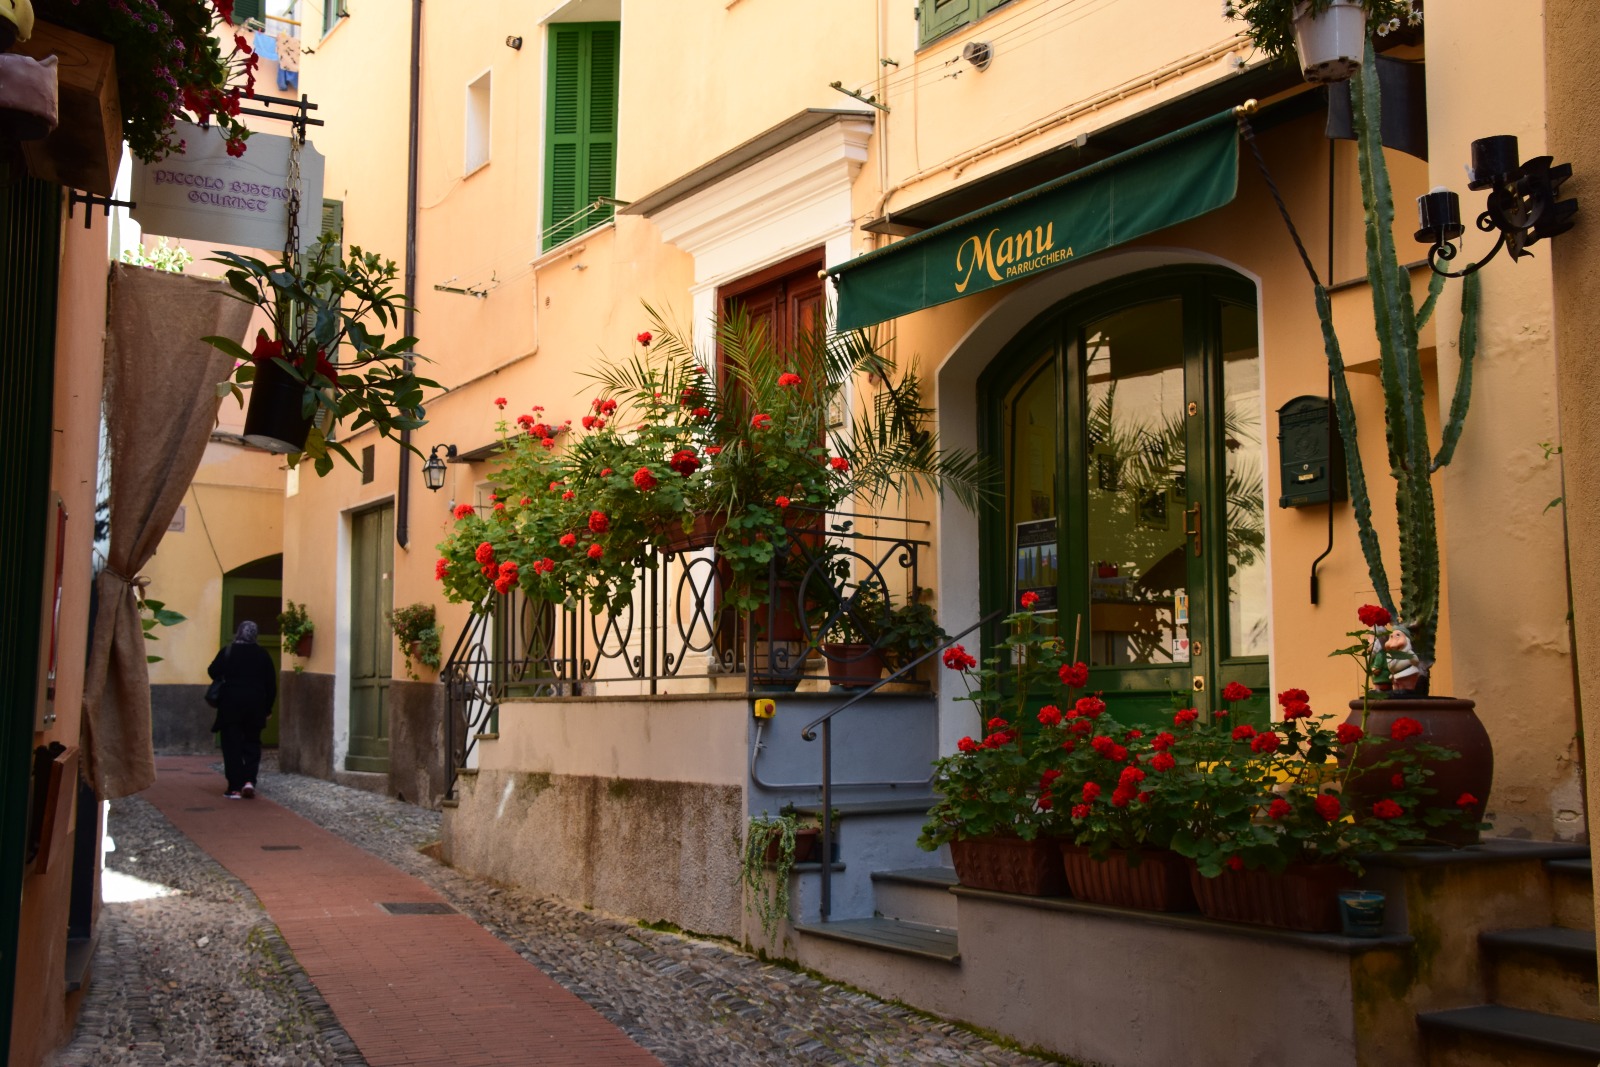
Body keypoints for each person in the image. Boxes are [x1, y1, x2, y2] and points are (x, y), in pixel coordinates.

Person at [207, 620, 277, 799]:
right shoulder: (263, 654)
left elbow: (212, 671)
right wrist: (268, 708)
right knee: (252, 744)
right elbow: (271, 685)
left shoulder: (228, 651)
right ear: (255, 634)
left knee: (232, 745)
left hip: (230, 706)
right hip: (255, 707)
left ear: (239, 632)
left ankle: (234, 788)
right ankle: (249, 781)